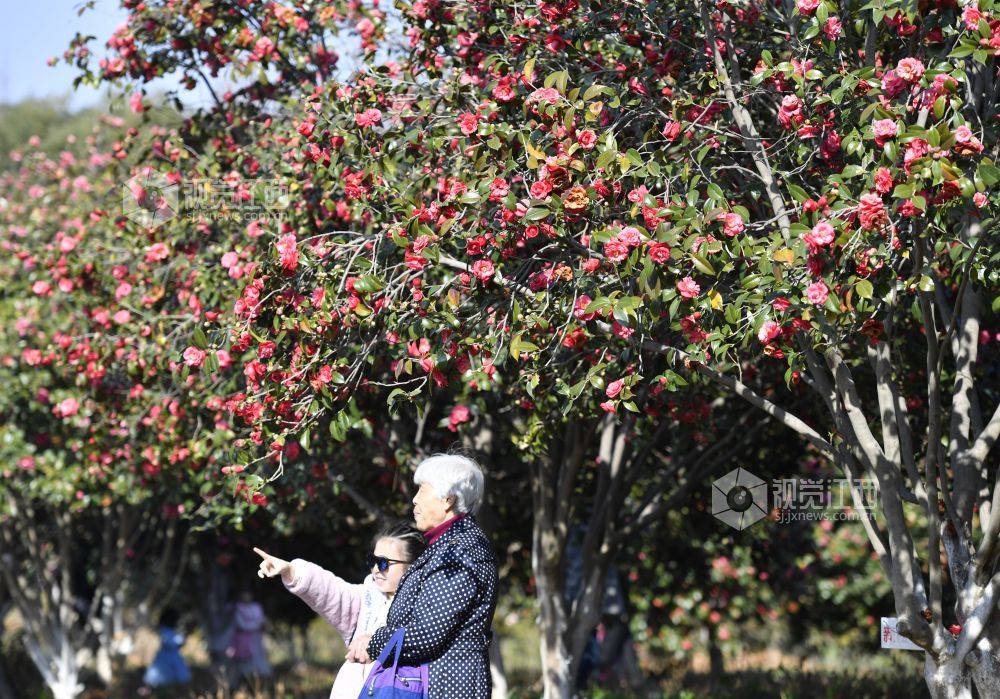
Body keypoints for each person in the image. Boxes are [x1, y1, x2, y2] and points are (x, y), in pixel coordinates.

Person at [355, 454, 499, 699]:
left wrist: (375, 642)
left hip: (447, 686)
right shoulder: (447, 545)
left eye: (422, 490)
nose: (414, 499)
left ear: (448, 500)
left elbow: (426, 634)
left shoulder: (459, 551)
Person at [254, 522, 426, 698]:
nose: (375, 569)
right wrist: (290, 570)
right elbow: (329, 591)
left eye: (384, 563)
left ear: (412, 566)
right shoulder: (367, 598)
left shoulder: (427, 608)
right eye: (372, 561)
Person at [227, 590, 272, 686]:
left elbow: (261, 621)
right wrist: (258, 624)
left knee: (259, 666)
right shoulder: (238, 608)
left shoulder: (257, 607)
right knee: (243, 667)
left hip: (257, 642)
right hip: (243, 643)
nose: (247, 596)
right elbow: (242, 625)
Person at [143, 607, 191, 688]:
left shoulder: (168, 629)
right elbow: (171, 642)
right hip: (168, 657)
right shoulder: (165, 629)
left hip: (169, 656)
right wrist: (181, 641)